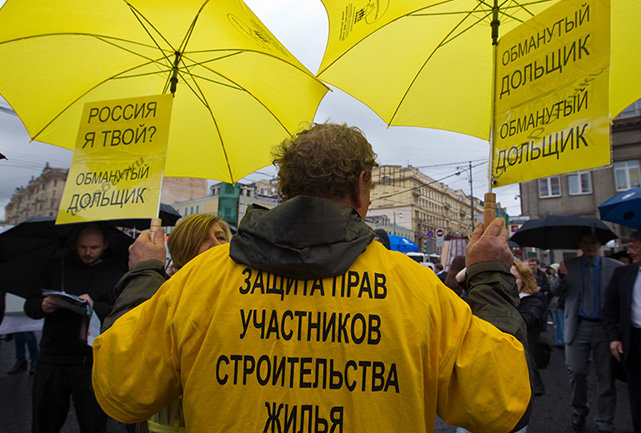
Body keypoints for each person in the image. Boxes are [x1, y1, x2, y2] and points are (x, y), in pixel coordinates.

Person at [93, 123, 532, 433]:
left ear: (286, 188)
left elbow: (122, 388)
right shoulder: (416, 289)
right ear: (361, 186)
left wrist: (144, 273)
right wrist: (490, 273)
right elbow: (499, 402)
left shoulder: (198, 281)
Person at [101, 213, 232, 432]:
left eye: (220, 237)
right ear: (182, 251)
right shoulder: (165, 298)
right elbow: (125, 366)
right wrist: (144, 273)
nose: (216, 245)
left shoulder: (240, 297)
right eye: (202, 239)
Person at [24, 223, 126, 433]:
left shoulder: (116, 271)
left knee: (94, 424)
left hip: (92, 362)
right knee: (44, 422)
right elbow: (30, 305)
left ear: (105, 245)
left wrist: (94, 306)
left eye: (94, 248)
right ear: (74, 244)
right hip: (53, 358)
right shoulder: (57, 266)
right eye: (83, 247)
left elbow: (122, 313)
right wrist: (42, 305)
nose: (88, 252)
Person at [551, 231, 623, 432]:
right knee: (576, 371)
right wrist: (561, 279)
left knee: (606, 377)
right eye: (585, 243)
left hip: (604, 327)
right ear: (580, 245)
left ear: (600, 245)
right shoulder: (570, 266)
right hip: (578, 326)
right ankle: (579, 411)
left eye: (593, 243)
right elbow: (554, 292)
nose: (590, 246)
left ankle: (605, 420)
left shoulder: (614, 267)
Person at [604, 230, 641, 433]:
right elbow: (610, 310)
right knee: (640, 400)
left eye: (635, 247)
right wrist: (614, 338)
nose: (629, 251)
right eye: (629, 246)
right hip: (637, 344)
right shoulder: (623, 274)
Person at [512, 260, 547, 398]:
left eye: (514, 278)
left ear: (524, 280)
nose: (509, 282)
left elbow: (520, 323)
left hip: (524, 368)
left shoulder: (533, 302)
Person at [547, 263, 566, 348]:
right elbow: (552, 288)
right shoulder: (554, 278)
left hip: (559, 302)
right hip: (554, 303)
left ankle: (563, 341)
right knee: (557, 323)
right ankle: (559, 340)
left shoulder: (562, 279)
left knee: (562, 323)